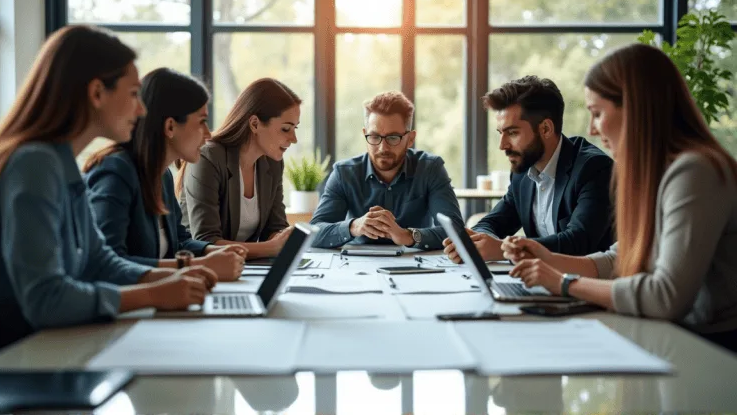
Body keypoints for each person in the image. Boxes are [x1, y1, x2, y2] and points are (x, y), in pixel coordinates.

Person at [0, 26, 217, 362]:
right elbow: (46, 298)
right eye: (132, 95)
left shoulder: (59, 162)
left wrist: (174, 276)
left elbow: (99, 261)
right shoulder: (34, 164)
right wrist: (153, 294)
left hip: (40, 350)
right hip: (0, 365)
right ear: (97, 92)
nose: (142, 110)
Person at [502, 43, 737, 354]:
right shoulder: (661, 172)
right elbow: (620, 258)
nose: (592, 129)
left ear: (636, 107)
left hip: (712, 353)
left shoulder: (695, 172)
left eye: (598, 114)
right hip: (677, 341)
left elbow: (665, 296)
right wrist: (546, 259)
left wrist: (563, 282)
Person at [83, 67, 246, 281]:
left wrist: (214, 252)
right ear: (170, 126)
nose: (208, 135)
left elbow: (180, 242)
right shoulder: (116, 172)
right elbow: (110, 261)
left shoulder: (163, 175)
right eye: (202, 122)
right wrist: (200, 265)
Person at [443, 76, 614, 262]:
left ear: (546, 129)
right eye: (501, 133)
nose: (502, 145)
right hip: (540, 281)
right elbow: (492, 223)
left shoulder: (594, 169)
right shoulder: (523, 172)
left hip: (589, 284)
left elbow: (579, 242)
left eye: (513, 133)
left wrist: (502, 249)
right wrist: (474, 242)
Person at [310, 91, 464, 250]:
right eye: (375, 137)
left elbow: (456, 231)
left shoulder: (430, 168)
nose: (383, 148)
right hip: (356, 264)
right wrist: (353, 227)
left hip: (414, 263)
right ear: (365, 134)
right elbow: (313, 233)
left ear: (410, 139)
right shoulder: (344, 173)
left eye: (393, 138)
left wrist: (407, 236)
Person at [178, 78, 300, 259]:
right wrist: (271, 248)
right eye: (285, 129)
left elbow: (274, 227)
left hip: (244, 268)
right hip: (202, 267)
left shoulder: (273, 164)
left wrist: (284, 238)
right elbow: (206, 240)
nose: (294, 138)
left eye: (295, 128)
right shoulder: (208, 157)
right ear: (255, 124)